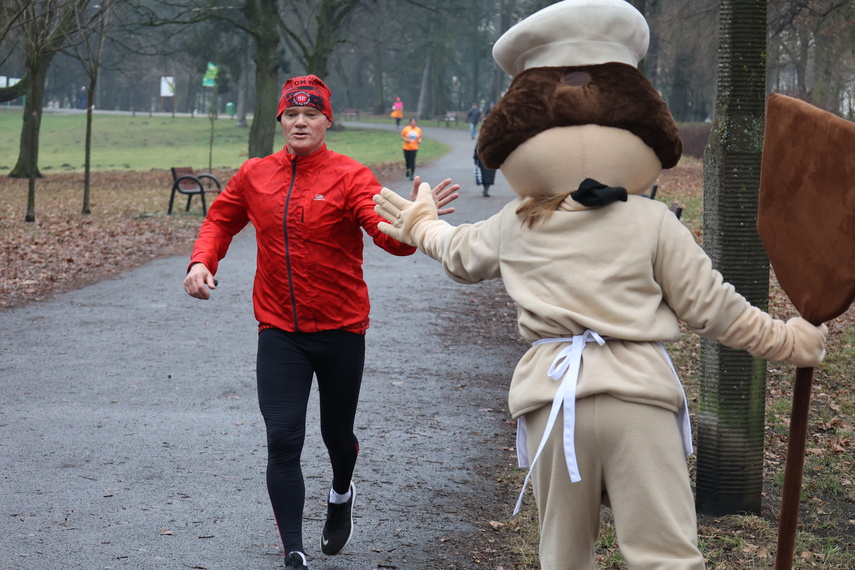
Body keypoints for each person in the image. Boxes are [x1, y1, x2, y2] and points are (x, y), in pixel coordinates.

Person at [373, 2, 828, 568]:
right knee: (664, 553)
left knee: (563, 555)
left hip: (550, 402)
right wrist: (790, 341)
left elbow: (459, 255)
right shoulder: (652, 222)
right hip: (638, 398)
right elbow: (715, 310)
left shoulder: (516, 222)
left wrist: (423, 225)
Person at [183, 75, 458, 570]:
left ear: (327, 120)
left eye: (312, 114)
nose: (301, 122)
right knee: (284, 436)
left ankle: (341, 491)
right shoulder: (255, 174)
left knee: (337, 434)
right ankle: (294, 552)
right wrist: (202, 261)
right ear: (281, 121)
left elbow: (388, 237)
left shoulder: (351, 176)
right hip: (279, 330)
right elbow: (221, 220)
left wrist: (418, 221)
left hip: (341, 330)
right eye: (292, 114)